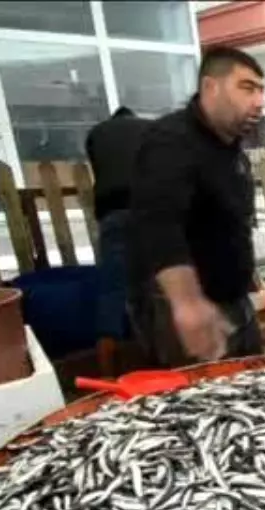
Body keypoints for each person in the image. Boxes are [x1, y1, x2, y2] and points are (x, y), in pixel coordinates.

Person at [126, 46, 265, 367]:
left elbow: (229, 218)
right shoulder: (170, 141)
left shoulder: (230, 148)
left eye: (261, 90)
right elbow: (157, 223)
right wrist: (187, 304)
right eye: (246, 88)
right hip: (186, 308)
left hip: (233, 299)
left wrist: (244, 271)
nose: (259, 101)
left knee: (259, 392)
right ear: (210, 87)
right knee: (206, 403)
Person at [85, 106, 152, 374]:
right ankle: (165, 360)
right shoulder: (152, 130)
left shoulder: (96, 134)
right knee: (159, 285)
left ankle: (108, 373)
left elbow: (100, 170)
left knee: (112, 290)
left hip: (113, 214)